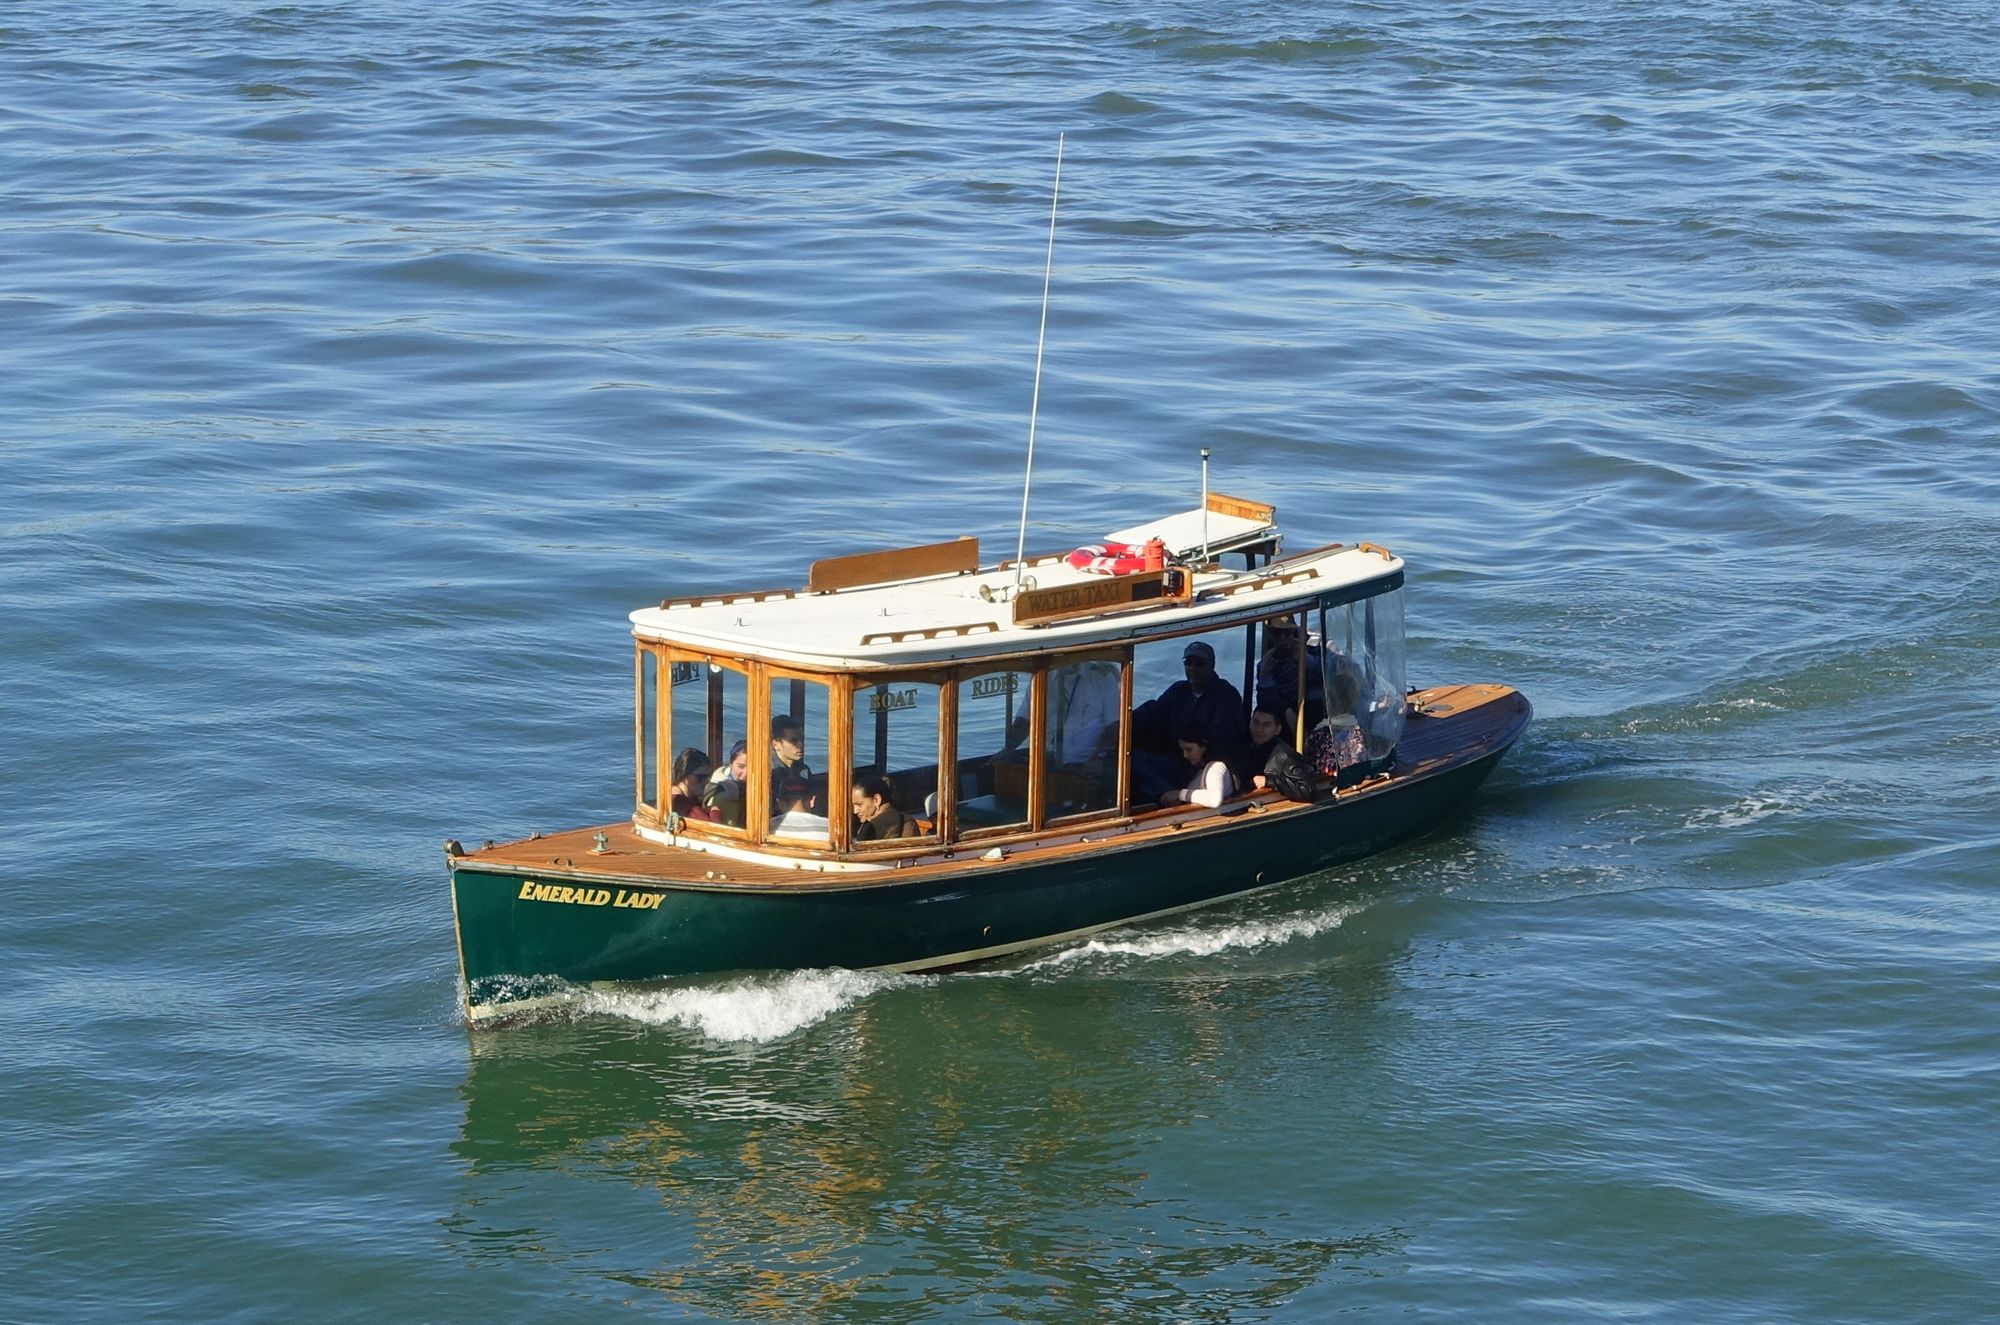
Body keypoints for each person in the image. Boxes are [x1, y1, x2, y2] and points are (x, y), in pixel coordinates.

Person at [1132, 640, 1248, 752]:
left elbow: (1223, 734)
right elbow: (1154, 712)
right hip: (1174, 756)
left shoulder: (1227, 695)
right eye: (1188, 663)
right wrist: (1124, 722)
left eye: (1200, 663)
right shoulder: (1178, 691)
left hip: (1206, 761)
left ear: (1212, 665)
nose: (1193, 668)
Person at [1231, 705, 1317, 803]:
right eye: (1255, 722)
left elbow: (1308, 791)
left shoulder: (1285, 755)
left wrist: (1269, 781)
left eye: (1266, 725)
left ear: (1277, 730)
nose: (1259, 730)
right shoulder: (1243, 752)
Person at [1253, 616, 1325, 727]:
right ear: (1270, 634)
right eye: (1277, 632)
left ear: (1294, 632)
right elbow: (1265, 704)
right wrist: (1265, 675)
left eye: (1287, 632)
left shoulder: (1314, 652)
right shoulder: (1267, 663)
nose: (1282, 638)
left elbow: (1322, 684)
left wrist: (1305, 659)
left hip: (1312, 712)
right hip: (1280, 718)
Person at [1158, 722, 1236, 809]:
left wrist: (1180, 794)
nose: (1185, 755)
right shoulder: (1201, 772)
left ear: (1203, 746)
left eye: (1189, 750)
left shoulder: (1215, 767)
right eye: (1183, 750)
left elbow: (1214, 800)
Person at [1305, 672, 1367, 779]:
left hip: (1321, 782)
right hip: (1345, 782)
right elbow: (1360, 766)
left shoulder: (1316, 733)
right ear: (1354, 700)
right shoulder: (1356, 732)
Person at [702, 739, 750, 827]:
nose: (746, 773)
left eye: (752, 767)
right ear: (731, 763)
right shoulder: (721, 793)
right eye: (740, 766)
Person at [769, 715, 813, 809]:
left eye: (802, 739)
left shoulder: (804, 770)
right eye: (794, 740)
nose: (801, 745)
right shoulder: (768, 771)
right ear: (776, 745)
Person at [850, 774, 910, 842]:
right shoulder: (909, 821)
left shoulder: (870, 827)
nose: (855, 811)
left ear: (877, 800)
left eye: (859, 804)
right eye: (853, 805)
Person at [669, 748, 720, 822]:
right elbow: (713, 828)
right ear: (684, 775)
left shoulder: (688, 798)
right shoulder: (681, 802)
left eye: (708, 777)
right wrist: (715, 811)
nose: (706, 782)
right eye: (701, 777)